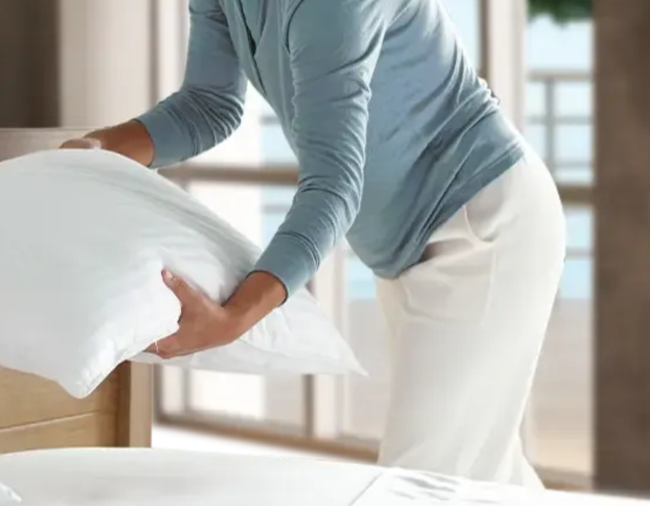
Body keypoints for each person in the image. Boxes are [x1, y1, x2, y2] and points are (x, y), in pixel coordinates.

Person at [61, 0, 565, 488]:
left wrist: (234, 317)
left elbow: (334, 184)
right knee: (482, 471)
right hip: (411, 251)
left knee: (419, 481)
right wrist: (100, 148)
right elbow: (208, 105)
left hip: (481, 229)